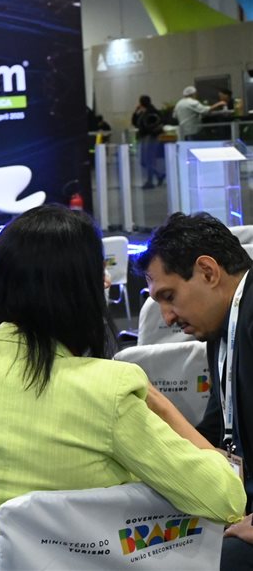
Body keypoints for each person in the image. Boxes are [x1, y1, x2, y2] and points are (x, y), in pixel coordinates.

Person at [0, 205, 244, 534]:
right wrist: (160, 405)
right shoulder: (109, 388)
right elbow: (225, 499)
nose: (108, 283)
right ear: (81, 291)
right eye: (101, 275)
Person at [138, 212, 253, 569]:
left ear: (207, 271)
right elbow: (217, 431)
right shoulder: (222, 328)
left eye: (169, 296)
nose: (167, 317)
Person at [131, 94, 164, 188]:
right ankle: (159, 175)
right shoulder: (145, 112)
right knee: (145, 160)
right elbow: (135, 122)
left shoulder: (151, 112)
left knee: (148, 159)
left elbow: (145, 124)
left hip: (150, 137)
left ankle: (150, 181)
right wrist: (136, 112)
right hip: (146, 137)